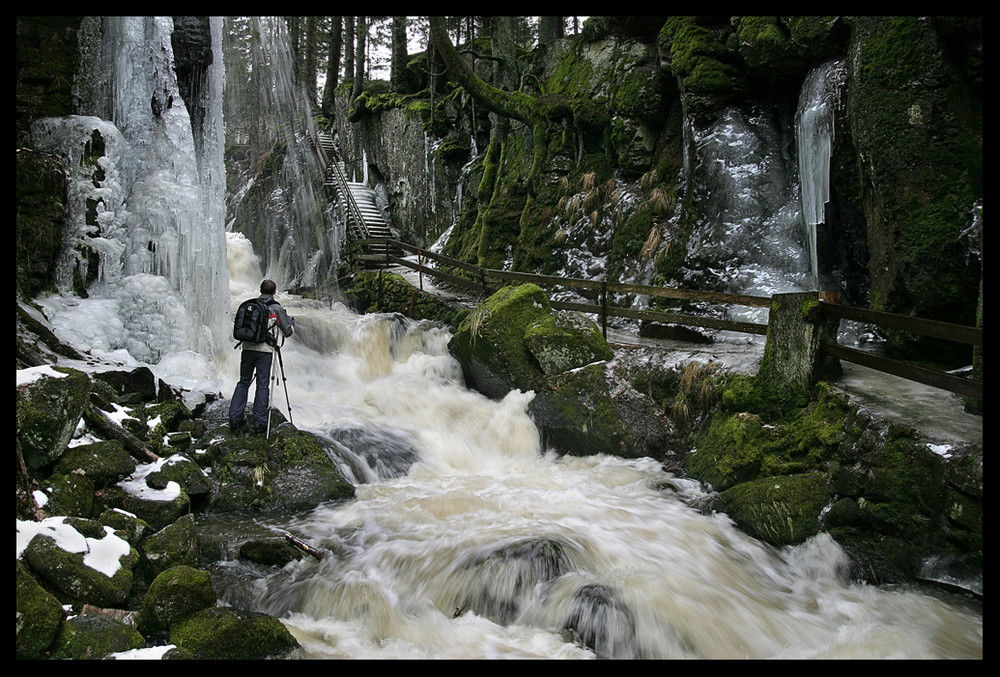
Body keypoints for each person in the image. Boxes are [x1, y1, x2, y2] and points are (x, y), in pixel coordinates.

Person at [229, 279, 295, 433]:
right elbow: (288, 331)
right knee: (262, 384)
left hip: (247, 348)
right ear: (274, 292)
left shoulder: (250, 305)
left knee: (243, 382)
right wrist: (291, 322)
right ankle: (260, 422)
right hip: (264, 351)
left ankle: (235, 418)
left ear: (260, 290)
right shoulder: (276, 309)